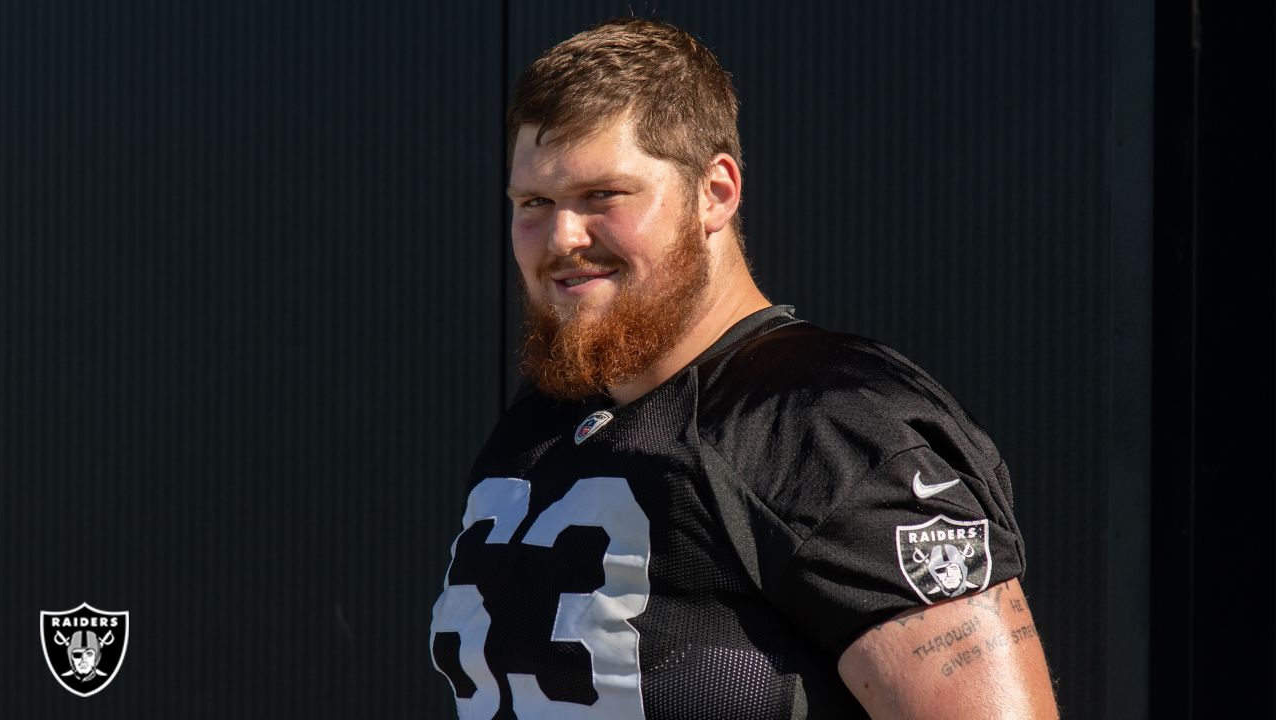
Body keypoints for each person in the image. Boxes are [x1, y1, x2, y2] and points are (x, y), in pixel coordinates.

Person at [430, 17, 1058, 719]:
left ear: (716, 192)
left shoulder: (826, 422)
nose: (563, 238)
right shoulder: (544, 418)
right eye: (534, 204)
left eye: (603, 196)